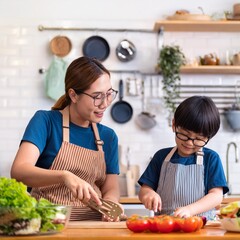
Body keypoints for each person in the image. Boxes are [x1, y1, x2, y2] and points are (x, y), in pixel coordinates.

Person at [11, 56, 121, 221]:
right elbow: (19, 171)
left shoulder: (108, 136)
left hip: (94, 225)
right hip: (48, 224)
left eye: (109, 94)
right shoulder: (46, 121)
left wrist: (111, 205)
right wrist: (64, 176)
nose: (104, 103)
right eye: (97, 96)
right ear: (74, 95)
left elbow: (111, 187)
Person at [138, 95, 229, 220]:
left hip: (201, 227)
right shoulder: (161, 157)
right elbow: (145, 189)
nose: (190, 143)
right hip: (165, 226)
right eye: (185, 135)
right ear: (174, 124)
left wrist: (190, 210)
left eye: (198, 139)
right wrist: (148, 194)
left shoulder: (211, 159)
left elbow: (216, 196)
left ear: (208, 137)